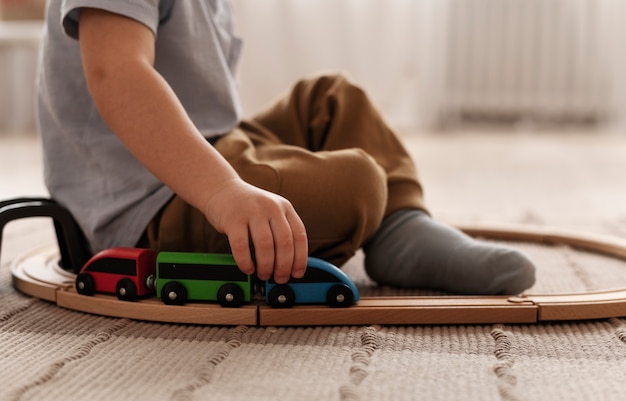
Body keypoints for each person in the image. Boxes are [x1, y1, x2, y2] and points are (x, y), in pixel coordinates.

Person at [37, 1, 535, 294]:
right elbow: (116, 74)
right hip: (150, 199)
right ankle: (381, 216)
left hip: (214, 150)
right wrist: (223, 192)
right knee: (358, 183)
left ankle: (401, 229)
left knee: (331, 97)